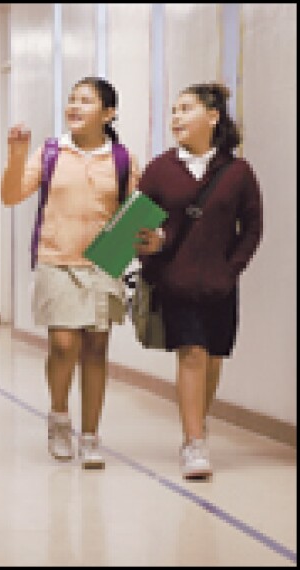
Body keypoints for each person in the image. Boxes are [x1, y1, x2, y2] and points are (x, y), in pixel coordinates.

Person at [0, 77, 140, 469]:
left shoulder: (122, 159)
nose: (75, 107)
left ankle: (91, 436)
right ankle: (59, 417)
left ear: (108, 114)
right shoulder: (50, 152)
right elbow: (9, 195)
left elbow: (132, 216)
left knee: (96, 349)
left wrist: (139, 242)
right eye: (71, 100)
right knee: (63, 345)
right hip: (56, 260)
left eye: (86, 101)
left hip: (102, 265)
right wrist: (16, 155)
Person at [134, 82, 263, 480]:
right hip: (175, 281)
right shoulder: (159, 169)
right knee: (191, 353)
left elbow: (252, 229)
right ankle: (193, 442)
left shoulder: (238, 172)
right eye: (173, 110)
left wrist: (231, 270)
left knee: (212, 359)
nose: (176, 117)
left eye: (185, 109)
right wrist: (152, 245)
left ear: (213, 116)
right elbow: (135, 231)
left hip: (220, 285)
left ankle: (197, 429)